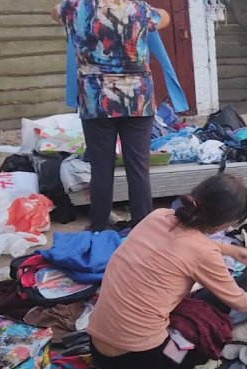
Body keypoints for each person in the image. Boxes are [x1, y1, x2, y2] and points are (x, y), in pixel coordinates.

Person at [87, 174, 247, 369]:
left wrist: (233, 250)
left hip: (97, 345)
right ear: (224, 223)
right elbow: (242, 302)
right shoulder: (204, 253)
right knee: (204, 334)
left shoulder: (158, 216)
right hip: (138, 356)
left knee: (178, 313)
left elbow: (184, 242)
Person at [51, 0, 171, 231]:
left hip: (96, 99)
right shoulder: (139, 9)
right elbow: (164, 17)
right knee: (138, 167)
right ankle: (143, 227)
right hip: (137, 99)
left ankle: (98, 226)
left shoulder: (76, 7)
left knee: (101, 167)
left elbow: (55, 12)